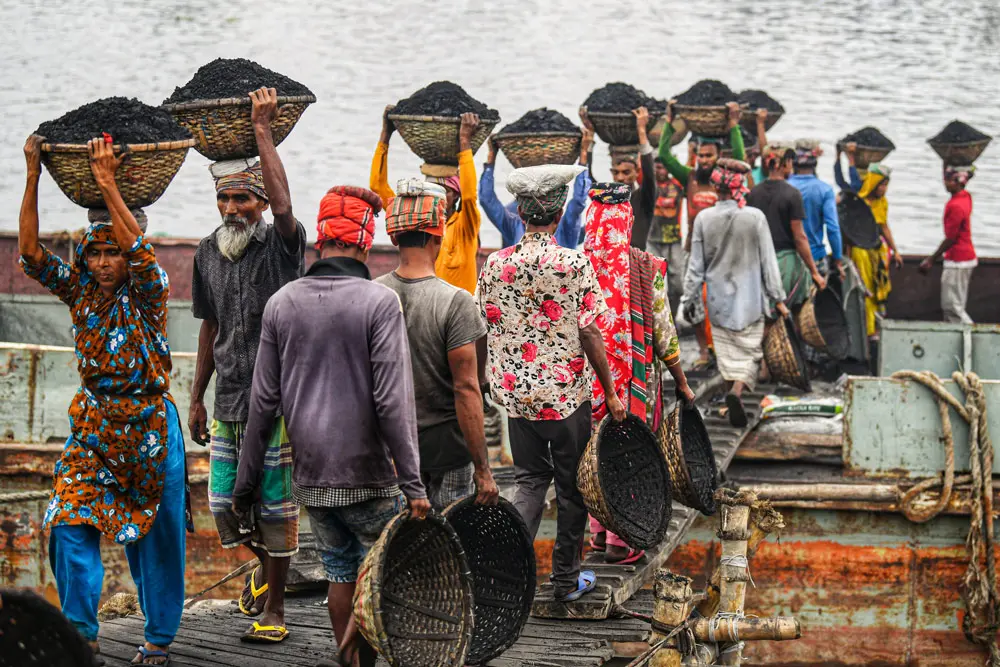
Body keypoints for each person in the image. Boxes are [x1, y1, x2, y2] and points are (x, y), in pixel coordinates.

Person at [233, 185, 430, 667]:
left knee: (341, 572)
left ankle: (352, 663)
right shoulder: (379, 303)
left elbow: (262, 403)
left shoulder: (281, 303)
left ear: (320, 241)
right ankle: (369, 655)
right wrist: (414, 484)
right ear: (365, 246)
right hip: (369, 478)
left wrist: (245, 483)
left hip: (313, 480)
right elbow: (392, 403)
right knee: (390, 574)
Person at [19, 135, 185, 667]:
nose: (106, 261)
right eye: (97, 251)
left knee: (158, 542)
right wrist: (32, 172)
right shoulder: (81, 291)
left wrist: (108, 181)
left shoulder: (150, 291)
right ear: (85, 256)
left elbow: (141, 254)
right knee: (68, 519)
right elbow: (28, 252)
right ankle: (81, 636)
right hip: (93, 426)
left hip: (150, 430)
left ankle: (157, 641)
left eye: (114, 250)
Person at [187, 88, 306, 640]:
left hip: (278, 399)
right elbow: (210, 325)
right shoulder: (207, 253)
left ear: (257, 200)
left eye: (242, 199)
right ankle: (261, 567)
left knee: (276, 510)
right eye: (224, 200)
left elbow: (285, 209)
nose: (233, 209)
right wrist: (194, 397)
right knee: (223, 504)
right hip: (228, 399)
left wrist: (262, 131)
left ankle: (275, 609)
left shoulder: (281, 246)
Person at [476, 164, 625, 602]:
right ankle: (564, 581)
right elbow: (590, 331)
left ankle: (508, 574)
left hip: (518, 398)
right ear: (559, 216)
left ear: (520, 216)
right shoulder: (573, 262)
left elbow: (482, 325)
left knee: (528, 482)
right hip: (565, 399)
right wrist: (612, 392)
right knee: (572, 487)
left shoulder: (496, 264)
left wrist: (488, 382)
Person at [582, 181, 697, 564]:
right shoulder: (646, 266)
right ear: (627, 220)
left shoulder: (575, 263)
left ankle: (598, 534)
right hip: (630, 387)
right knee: (627, 454)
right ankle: (622, 538)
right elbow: (664, 332)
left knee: (594, 455)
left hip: (583, 386)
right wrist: (681, 382)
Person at [375, 179, 500, 510]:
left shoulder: (372, 295)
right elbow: (467, 390)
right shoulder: (456, 302)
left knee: (399, 543)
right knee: (449, 546)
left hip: (389, 449)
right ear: (438, 237)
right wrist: (484, 470)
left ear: (392, 237)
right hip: (448, 449)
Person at [681, 159, 788, 428]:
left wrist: (687, 300)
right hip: (751, 301)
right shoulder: (755, 218)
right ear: (741, 188)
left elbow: (695, 267)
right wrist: (778, 298)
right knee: (750, 353)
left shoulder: (704, 218)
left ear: (716, 188)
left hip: (718, 302)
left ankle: (732, 393)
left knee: (727, 355)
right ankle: (737, 392)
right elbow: (768, 262)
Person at [658, 100, 745, 371]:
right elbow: (664, 155)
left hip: (725, 252)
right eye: (702, 155)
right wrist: (669, 122)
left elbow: (741, 156)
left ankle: (722, 349)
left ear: (720, 157)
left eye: (710, 156)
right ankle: (705, 351)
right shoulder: (689, 177)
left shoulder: (726, 181)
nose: (705, 160)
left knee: (724, 302)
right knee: (694, 301)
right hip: (695, 250)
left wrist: (733, 125)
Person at [371, 108, 482, 293]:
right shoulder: (416, 219)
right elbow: (378, 188)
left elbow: (470, 196)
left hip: (458, 312)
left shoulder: (465, 226)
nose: (435, 198)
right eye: (431, 191)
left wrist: (464, 141)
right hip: (423, 305)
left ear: (455, 195)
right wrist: (386, 135)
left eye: (443, 192)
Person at [479, 115, 594, 248]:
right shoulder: (567, 230)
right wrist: (583, 155)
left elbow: (486, 200)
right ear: (559, 214)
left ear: (521, 212)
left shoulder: (514, 227)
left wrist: (491, 158)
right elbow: (579, 201)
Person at [835, 144, 902, 341]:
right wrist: (844, 157)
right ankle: (864, 329)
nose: (884, 189)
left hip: (877, 252)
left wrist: (894, 250)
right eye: (881, 184)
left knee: (877, 289)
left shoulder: (882, 203)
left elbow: (884, 227)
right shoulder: (856, 199)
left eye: (886, 185)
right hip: (859, 252)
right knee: (863, 289)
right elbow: (845, 227)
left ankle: (874, 326)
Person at [747, 143, 826, 312]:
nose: (792, 165)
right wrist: (814, 271)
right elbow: (799, 237)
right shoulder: (792, 194)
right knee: (795, 311)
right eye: (790, 161)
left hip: (759, 262)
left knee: (764, 312)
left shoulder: (754, 193)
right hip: (785, 263)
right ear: (783, 164)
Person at [580, 106, 657, 251]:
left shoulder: (644, 198)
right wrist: (588, 144)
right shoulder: (607, 199)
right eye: (616, 172)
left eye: (626, 172)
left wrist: (641, 131)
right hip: (611, 267)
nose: (620, 177)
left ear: (637, 172)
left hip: (636, 266)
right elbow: (586, 179)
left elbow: (649, 173)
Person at [920, 166, 977, 324]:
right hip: (966, 257)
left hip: (958, 260)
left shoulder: (955, 206)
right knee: (955, 304)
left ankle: (972, 338)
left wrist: (931, 259)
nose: (945, 183)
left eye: (949, 180)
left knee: (952, 307)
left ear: (958, 183)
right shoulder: (966, 197)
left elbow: (950, 238)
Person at [788, 140, 844, 278]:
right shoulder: (824, 190)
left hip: (787, 258)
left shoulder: (784, 187)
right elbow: (832, 228)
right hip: (815, 257)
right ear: (815, 163)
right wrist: (837, 259)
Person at [645, 158, 686, 314]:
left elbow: (685, 168)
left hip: (674, 240)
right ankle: (657, 320)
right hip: (653, 240)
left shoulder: (677, 184)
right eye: (655, 168)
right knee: (654, 283)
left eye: (661, 167)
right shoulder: (648, 186)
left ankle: (673, 317)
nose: (658, 171)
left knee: (677, 285)